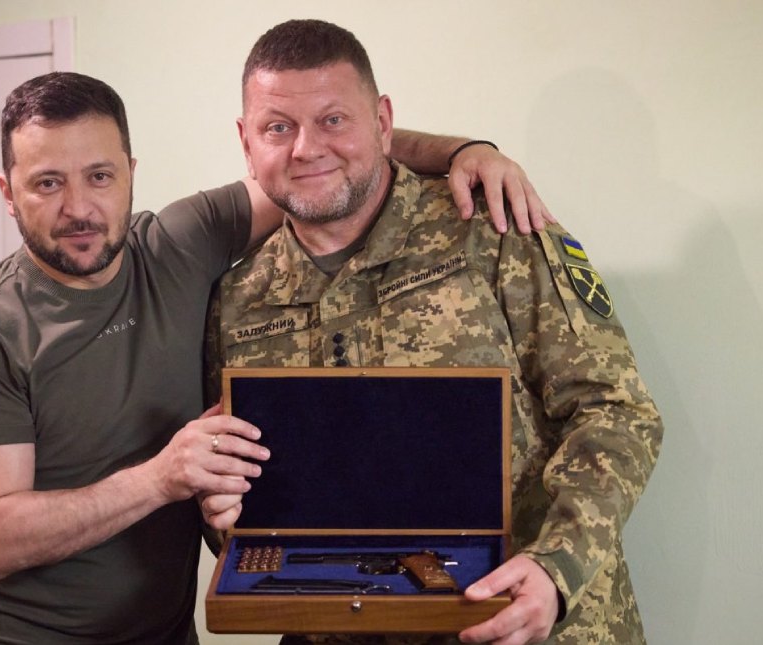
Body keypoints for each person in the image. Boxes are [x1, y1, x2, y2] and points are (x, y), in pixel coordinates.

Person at [0, 70, 551, 645]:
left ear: (130, 171)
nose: (78, 208)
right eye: (47, 183)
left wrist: (466, 151)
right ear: (8, 191)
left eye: (99, 176)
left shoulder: (178, 245)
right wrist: (161, 478)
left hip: (165, 632)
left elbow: (317, 160)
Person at [204, 19, 663, 645]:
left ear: (383, 122)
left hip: (527, 623)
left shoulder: (495, 227)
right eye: (277, 127)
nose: (306, 148)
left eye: (334, 119)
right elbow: (234, 489)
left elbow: (615, 410)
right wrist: (222, 512)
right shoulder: (235, 301)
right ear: (245, 140)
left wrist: (557, 567)